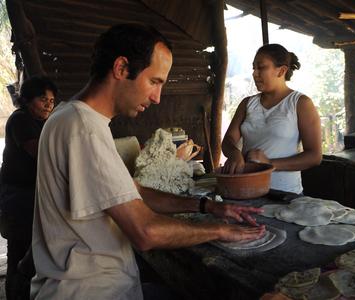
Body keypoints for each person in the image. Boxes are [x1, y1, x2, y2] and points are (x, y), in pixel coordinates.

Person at [31, 23, 266, 299]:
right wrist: (219, 231)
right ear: (121, 68)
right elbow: (145, 231)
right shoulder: (83, 128)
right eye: (154, 81)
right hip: (91, 290)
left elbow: (135, 192)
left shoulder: (69, 117)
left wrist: (208, 207)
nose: (157, 98)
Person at [222, 44, 322, 194]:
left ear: (281, 71)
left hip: (285, 194)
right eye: (253, 68)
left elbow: (314, 156)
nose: (255, 74)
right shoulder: (247, 104)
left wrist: (269, 163)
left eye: (261, 68)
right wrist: (234, 154)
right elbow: (228, 139)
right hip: (247, 191)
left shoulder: (300, 103)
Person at [0, 76, 56, 300]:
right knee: (19, 248)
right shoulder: (21, 120)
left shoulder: (42, 122)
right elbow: (40, 151)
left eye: (52, 101)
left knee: (30, 250)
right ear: (27, 100)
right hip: (17, 195)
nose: (48, 105)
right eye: (43, 99)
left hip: (31, 194)